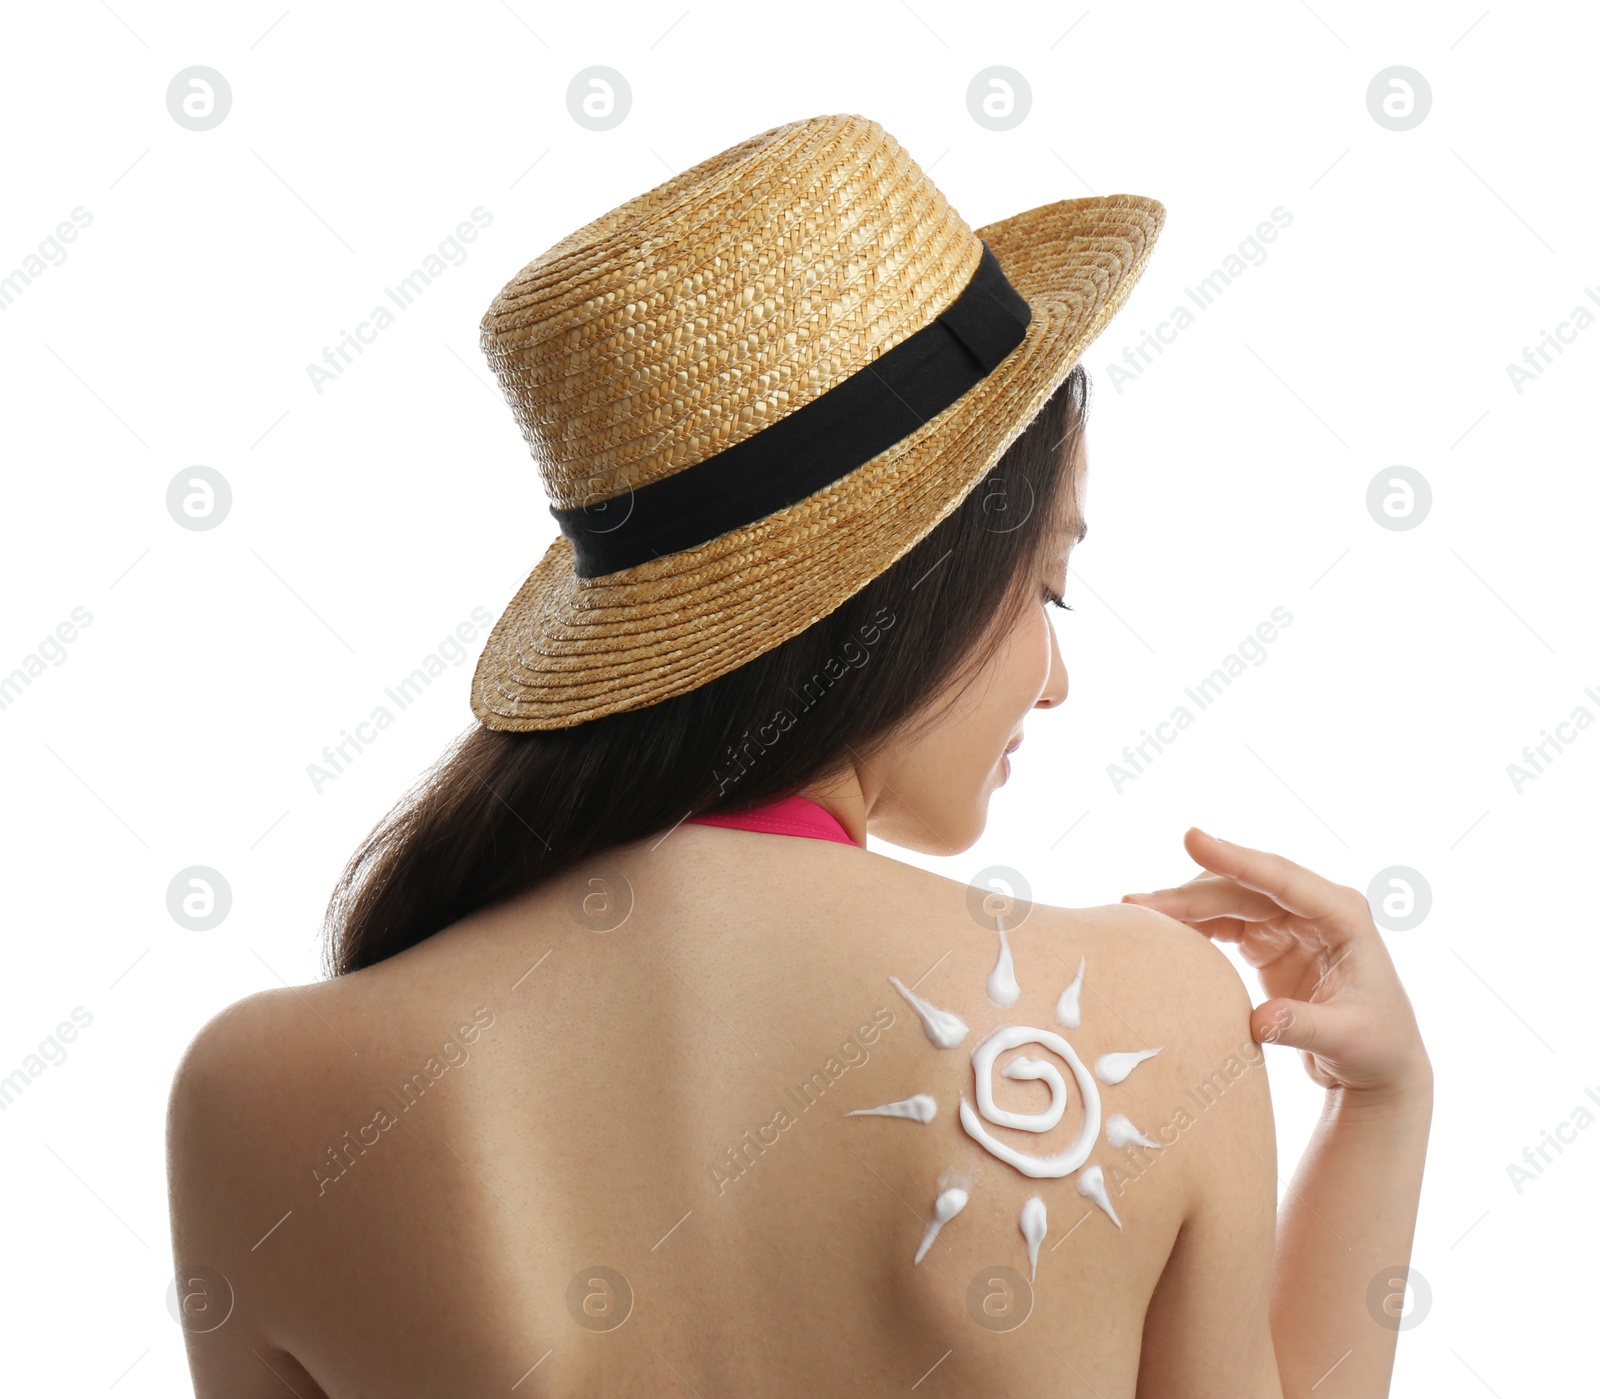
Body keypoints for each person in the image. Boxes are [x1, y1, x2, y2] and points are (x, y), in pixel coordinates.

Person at [166, 114, 1431, 1397]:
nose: (1057, 681)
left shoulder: (262, 1092)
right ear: (921, 581)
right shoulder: (1155, 1008)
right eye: (1048, 587)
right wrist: (1380, 1116)